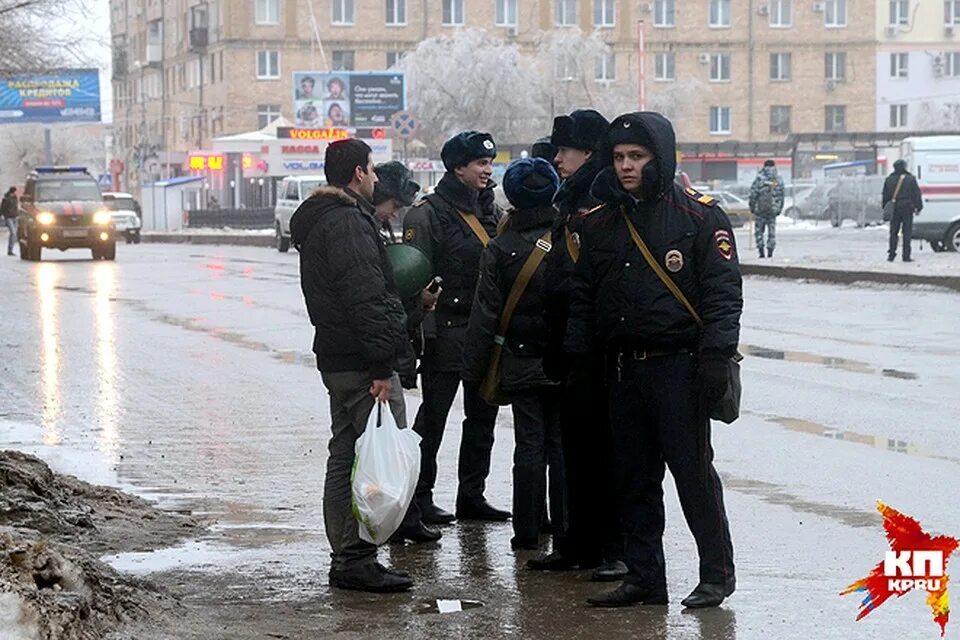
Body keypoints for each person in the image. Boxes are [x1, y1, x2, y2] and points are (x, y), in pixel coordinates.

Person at [566, 112, 741, 609]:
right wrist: (580, 361)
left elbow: (723, 296)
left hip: (678, 367)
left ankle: (716, 575)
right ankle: (645, 576)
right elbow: (585, 295)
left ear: (658, 158)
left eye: (637, 157)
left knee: (693, 476)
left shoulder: (699, 217)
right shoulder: (600, 222)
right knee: (633, 479)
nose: (626, 167)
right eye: (619, 158)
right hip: (623, 369)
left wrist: (716, 358)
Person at [288, 139, 413, 593]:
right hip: (362, 363)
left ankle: (346, 555)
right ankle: (357, 557)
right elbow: (366, 298)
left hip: (337, 358)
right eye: (373, 171)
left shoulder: (322, 219)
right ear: (359, 173)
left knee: (345, 455)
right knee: (375, 462)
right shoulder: (347, 223)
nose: (377, 179)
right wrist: (383, 365)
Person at [530, 109, 628, 582]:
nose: (557, 158)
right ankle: (578, 543)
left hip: (596, 345)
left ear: (588, 153)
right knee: (576, 451)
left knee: (603, 453)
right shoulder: (571, 196)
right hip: (571, 343)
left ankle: (614, 549)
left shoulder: (600, 197)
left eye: (564, 150)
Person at [402, 131, 509, 525]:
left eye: (489, 163)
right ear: (457, 168)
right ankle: (417, 497)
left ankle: (472, 495)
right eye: (480, 164)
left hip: (483, 333)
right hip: (444, 331)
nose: (487, 170)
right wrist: (422, 335)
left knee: (482, 418)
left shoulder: (491, 211)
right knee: (433, 420)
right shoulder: (427, 213)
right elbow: (416, 279)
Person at [462, 158, 565, 551]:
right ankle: (565, 528)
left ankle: (526, 531)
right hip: (563, 361)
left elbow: (485, 313)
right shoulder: (570, 237)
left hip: (520, 361)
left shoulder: (500, 247)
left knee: (529, 445)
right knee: (561, 447)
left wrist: (473, 371)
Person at [883, 159, 923, 262]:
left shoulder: (889, 179)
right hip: (907, 208)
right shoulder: (910, 179)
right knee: (907, 233)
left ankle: (891, 254)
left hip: (895, 209)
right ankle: (906, 256)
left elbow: (885, 196)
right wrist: (919, 207)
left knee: (893, 232)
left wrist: (886, 208)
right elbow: (916, 194)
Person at [748, 159, 784, 258]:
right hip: (773, 210)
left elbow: (753, 194)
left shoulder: (759, 178)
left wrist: (752, 207)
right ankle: (770, 251)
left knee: (759, 231)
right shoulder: (778, 179)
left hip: (760, 210)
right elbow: (782, 195)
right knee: (771, 231)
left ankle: (761, 251)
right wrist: (779, 208)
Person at [2, 186, 18, 256]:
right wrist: (3, 215)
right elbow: (2, 207)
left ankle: (11, 250)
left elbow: (16, 207)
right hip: (8, 217)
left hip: (15, 217)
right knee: (13, 233)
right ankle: (10, 250)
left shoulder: (15, 198)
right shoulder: (6, 198)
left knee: (14, 235)